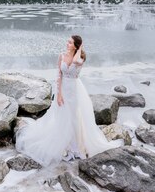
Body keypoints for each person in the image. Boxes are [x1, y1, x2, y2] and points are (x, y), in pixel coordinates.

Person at [15, 35, 121, 166]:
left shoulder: (80, 58)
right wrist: (58, 94)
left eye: (70, 42)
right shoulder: (61, 56)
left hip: (75, 91)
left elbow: (76, 61)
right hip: (64, 89)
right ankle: (64, 145)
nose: (67, 44)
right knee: (62, 117)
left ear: (76, 46)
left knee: (75, 118)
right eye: (68, 41)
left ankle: (76, 147)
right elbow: (58, 75)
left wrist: (79, 48)